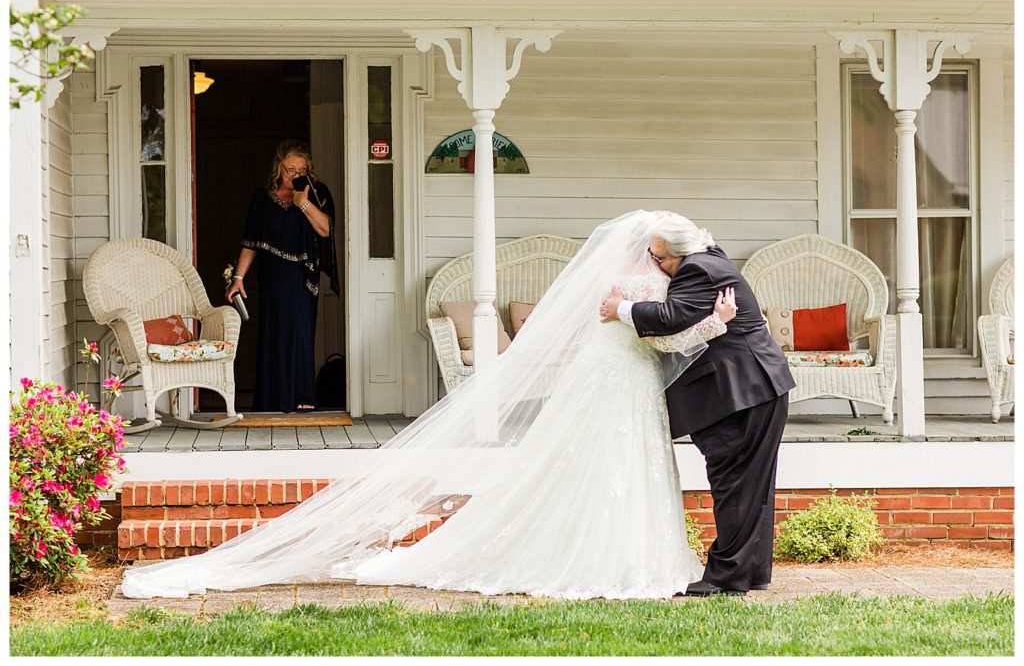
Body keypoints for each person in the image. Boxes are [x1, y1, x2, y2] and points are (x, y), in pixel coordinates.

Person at [120, 210, 736, 601]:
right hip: (617, 380)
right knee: (601, 463)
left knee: (612, 465)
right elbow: (662, 331)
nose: (662, 261)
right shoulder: (639, 284)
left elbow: (663, 332)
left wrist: (708, 322)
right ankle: (609, 557)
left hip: (625, 379)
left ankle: (624, 551)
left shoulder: (652, 280)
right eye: (658, 253)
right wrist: (710, 323)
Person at [600, 212, 796, 597]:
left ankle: (726, 577)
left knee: (732, 482)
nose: (657, 265)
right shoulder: (712, 257)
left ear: (679, 253)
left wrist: (621, 308)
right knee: (752, 483)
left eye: (660, 259)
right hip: (759, 386)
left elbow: (671, 318)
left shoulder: (697, 271)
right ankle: (749, 571)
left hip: (738, 392)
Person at [225, 140, 339, 413]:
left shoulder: (317, 192)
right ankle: (271, 400)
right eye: (290, 169)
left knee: (299, 334)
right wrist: (238, 278)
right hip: (273, 277)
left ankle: (302, 396)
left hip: (302, 278)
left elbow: (325, 230)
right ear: (279, 169)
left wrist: (303, 203)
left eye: (302, 169)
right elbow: (251, 243)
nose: (296, 175)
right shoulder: (262, 199)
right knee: (272, 335)